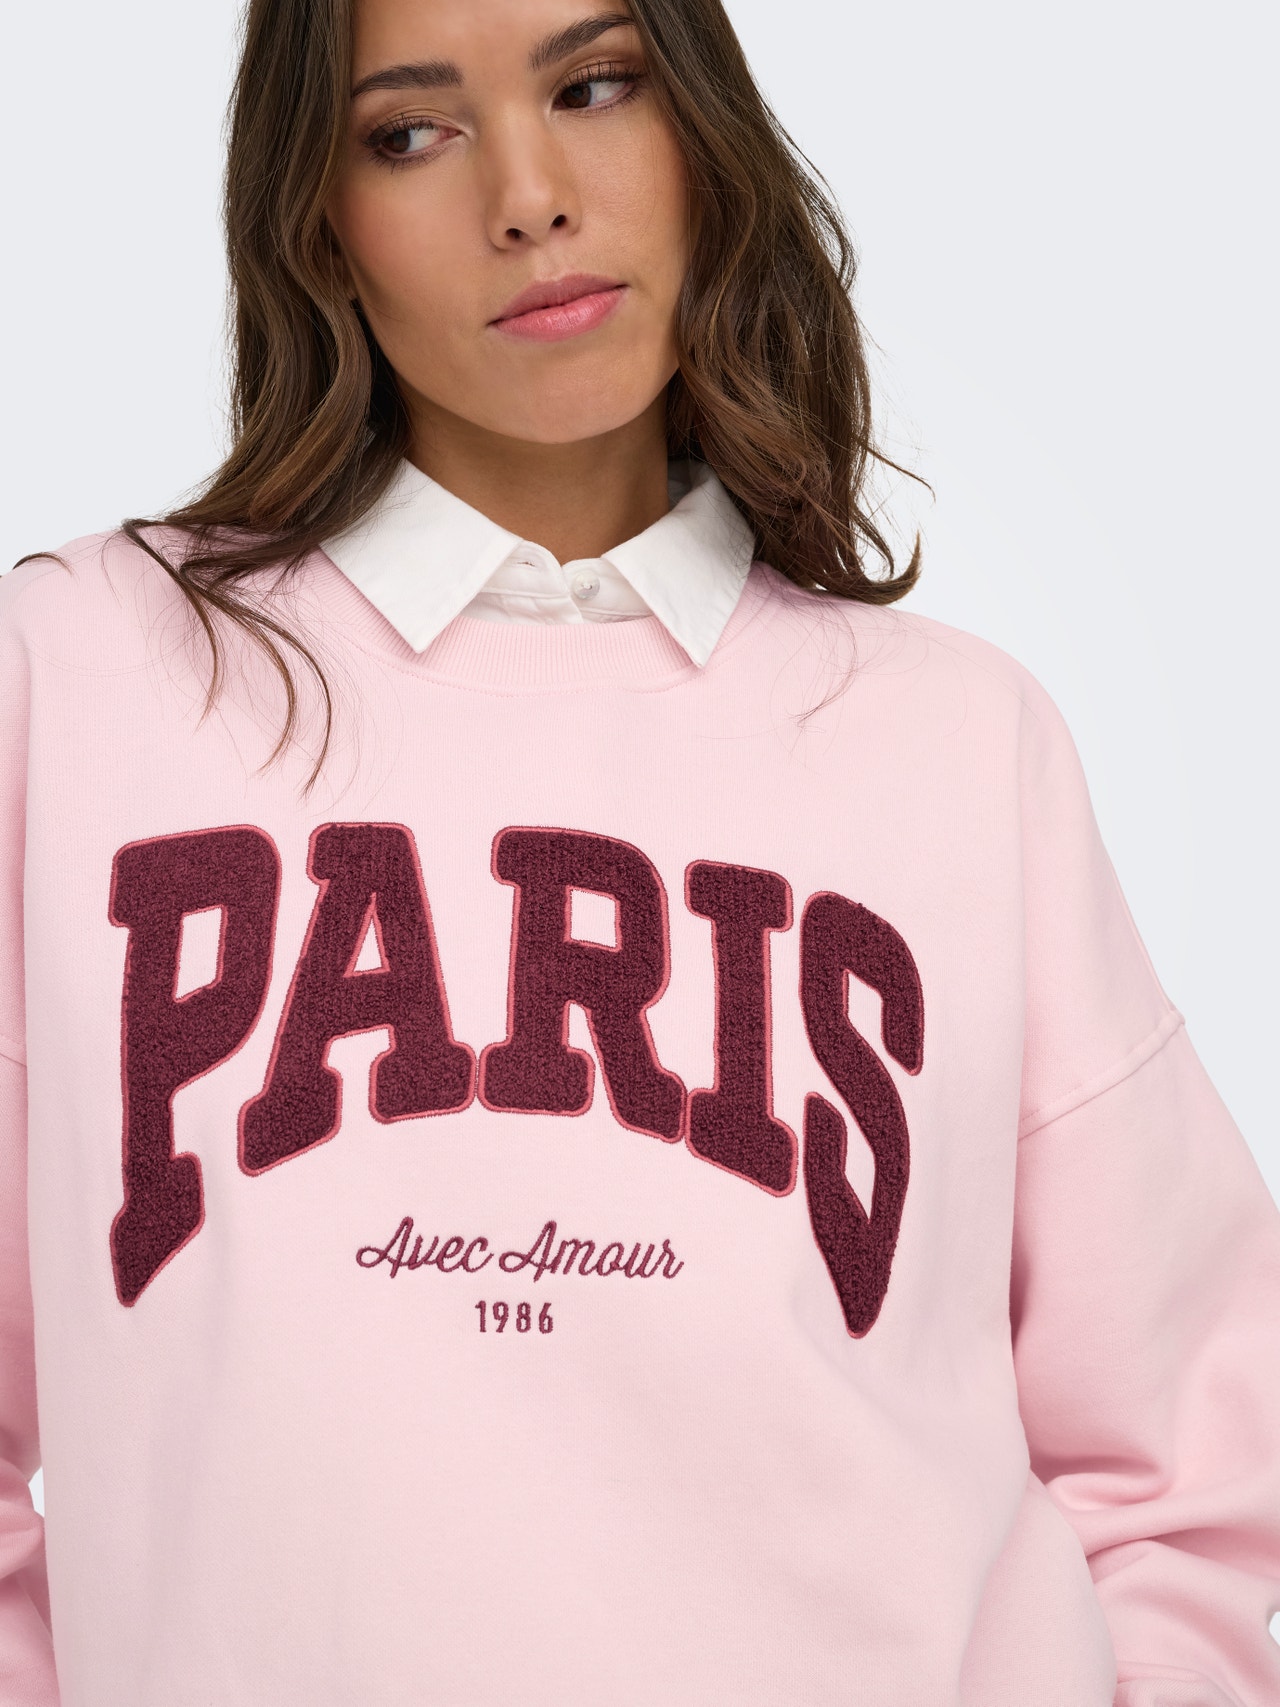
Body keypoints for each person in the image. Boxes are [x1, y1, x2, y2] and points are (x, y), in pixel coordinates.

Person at [2, 0, 1277, 1701]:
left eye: (597, 85)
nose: (529, 196)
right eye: (410, 132)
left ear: (704, 133)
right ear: (316, 222)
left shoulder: (960, 740)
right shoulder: (88, 675)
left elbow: (1190, 1445)